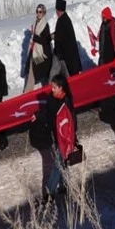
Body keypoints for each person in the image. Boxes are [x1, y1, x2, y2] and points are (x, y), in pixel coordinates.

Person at [37, 74, 78, 206]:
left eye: (54, 87)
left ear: (61, 88)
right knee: (62, 161)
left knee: (58, 164)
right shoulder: (51, 99)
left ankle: (49, 193)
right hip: (56, 136)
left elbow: (72, 119)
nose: (52, 89)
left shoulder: (66, 100)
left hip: (65, 137)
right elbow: (48, 115)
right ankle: (64, 185)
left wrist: (73, 136)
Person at [97, 7, 115, 120]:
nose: (101, 18)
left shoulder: (114, 28)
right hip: (103, 59)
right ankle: (107, 104)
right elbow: (101, 42)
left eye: (103, 16)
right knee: (105, 82)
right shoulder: (103, 27)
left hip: (112, 59)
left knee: (113, 83)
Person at [24, 3, 53, 91]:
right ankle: (28, 92)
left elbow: (46, 40)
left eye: (40, 12)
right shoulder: (35, 22)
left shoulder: (45, 25)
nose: (38, 13)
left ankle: (48, 91)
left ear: (44, 13)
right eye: (37, 11)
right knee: (32, 71)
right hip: (35, 51)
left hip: (43, 54)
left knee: (44, 74)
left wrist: (35, 38)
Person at [52, 0, 82, 76]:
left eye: (57, 10)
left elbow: (60, 36)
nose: (56, 12)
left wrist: (52, 36)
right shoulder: (63, 19)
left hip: (66, 55)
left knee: (67, 74)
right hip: (62, 54)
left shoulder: (64, 21)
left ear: (59, 10)